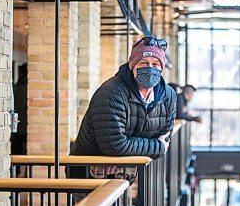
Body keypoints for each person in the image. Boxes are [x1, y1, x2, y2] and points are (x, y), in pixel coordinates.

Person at [67, 36, 177, 181]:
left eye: (155, 64)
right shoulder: (112, 92)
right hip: (89, 174)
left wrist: (122, 156)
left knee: (121, 203)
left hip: (125, 172)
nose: (150, 68)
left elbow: (164, 136)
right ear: (132, 66)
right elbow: (115, 146)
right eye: (143, 63)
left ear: (161, 68)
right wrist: (158, 147)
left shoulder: (168, 95)